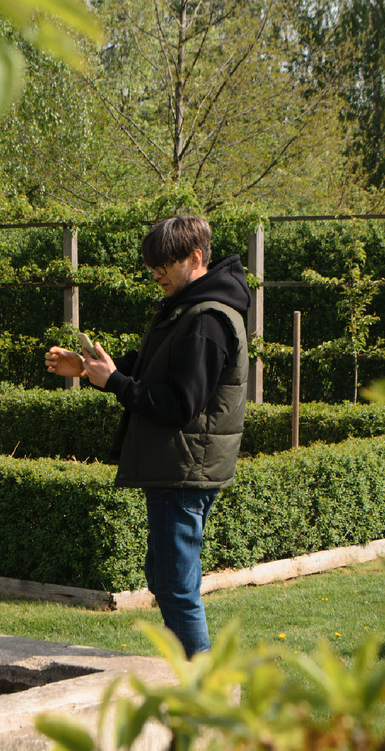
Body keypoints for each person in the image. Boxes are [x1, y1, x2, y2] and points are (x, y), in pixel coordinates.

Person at [45, 214, 250, 656]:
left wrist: (114, 382)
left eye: (165, 263)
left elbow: (179, 404)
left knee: (176, 586)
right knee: (164, 577)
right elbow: (154, 371)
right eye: (153, 265)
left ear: (195, 258)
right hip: (176, 465)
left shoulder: (206, 320)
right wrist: (89, 370)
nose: (156, 273)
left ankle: (203, 690)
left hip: (183, 469)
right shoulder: (188, 309)